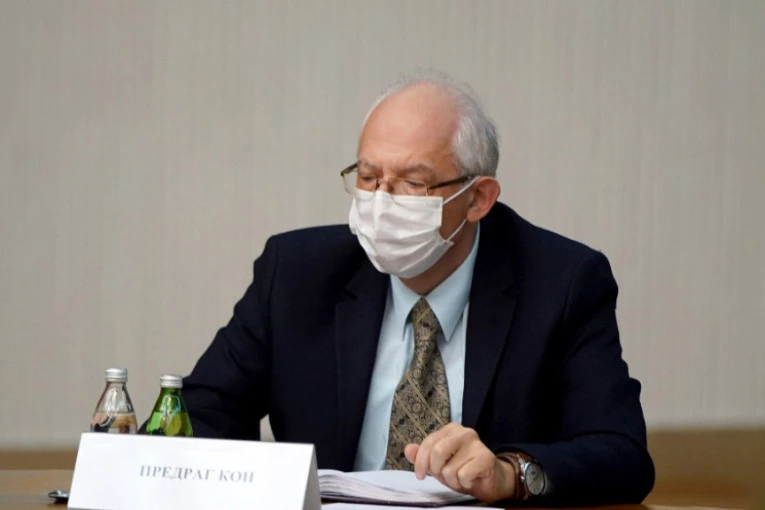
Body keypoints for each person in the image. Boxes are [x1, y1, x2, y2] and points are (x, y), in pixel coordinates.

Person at [180, 72, 655, 505]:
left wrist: (510, 474)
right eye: (368, 178)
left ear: (478, 198)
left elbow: (622, 455)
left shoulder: (561, 282)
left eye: (412, 182)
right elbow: (198, 418)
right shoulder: (296, 274)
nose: (381, 202)